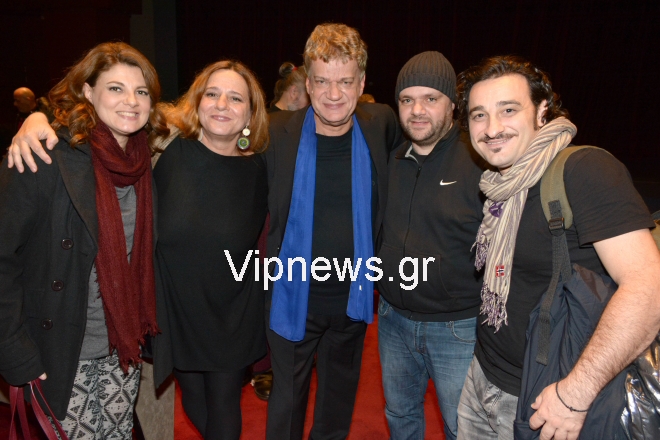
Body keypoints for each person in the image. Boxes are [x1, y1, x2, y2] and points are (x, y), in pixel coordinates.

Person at [454, 55, 660, 440]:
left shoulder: (585, 169)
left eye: (508, 110)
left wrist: (574, 395)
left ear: (542, 110)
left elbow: (649, 287)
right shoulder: (500, 186)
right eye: (479, 115)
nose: (492, 128)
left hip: (547, 397)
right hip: (484, 376)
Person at [0, 41, 169, 439]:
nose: (131, 101)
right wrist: (15, 351)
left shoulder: (145, 158)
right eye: (116, 88)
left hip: (121, 348)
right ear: (89, 92)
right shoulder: (45, 155)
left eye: (141, 91)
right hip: (59, 350)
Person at [264, 23, 402, 439]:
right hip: (292, 299)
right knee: (285, 408)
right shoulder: (276, 133)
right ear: (307, 83)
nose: (334, 94)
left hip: (352, 300)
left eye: (345, 81)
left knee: (337, 408)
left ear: (361, 83)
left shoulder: (381, 124)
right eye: (322, 81)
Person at [150, 60, 269, 440]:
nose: (221, 105)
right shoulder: (163, 146)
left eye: (235, 98)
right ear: (197, 101)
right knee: (192, 399)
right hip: (175, 308)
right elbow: (103, 119)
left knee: (223, 403)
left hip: (232, 311)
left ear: (250, 114)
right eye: (213, 94)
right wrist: (35, 122)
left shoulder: (261, 168)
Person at [376, 51, 485, 440]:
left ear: (453, 105)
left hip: (456, 328)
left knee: (462, 428)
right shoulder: (391, 160)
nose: (417, 110)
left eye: (430, 99)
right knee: (400, 416)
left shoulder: (479, 161)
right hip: (392, 320)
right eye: (407, 99)